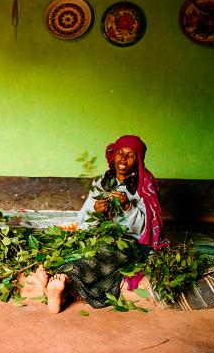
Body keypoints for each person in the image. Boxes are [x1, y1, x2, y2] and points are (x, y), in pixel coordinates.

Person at [37, 134, 168, 313]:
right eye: (120, 153)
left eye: (130, 155)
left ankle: (63, 280)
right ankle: (61, 291)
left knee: (107, 254)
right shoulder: (101, 182)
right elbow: (84, 223)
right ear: (113, 155)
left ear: (138, 161)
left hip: (130, 243)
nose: (123, 159)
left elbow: (147, 230)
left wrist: (127, 206)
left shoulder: (144, 187)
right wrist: (96, 213)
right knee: (72, 246)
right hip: (98, 236)